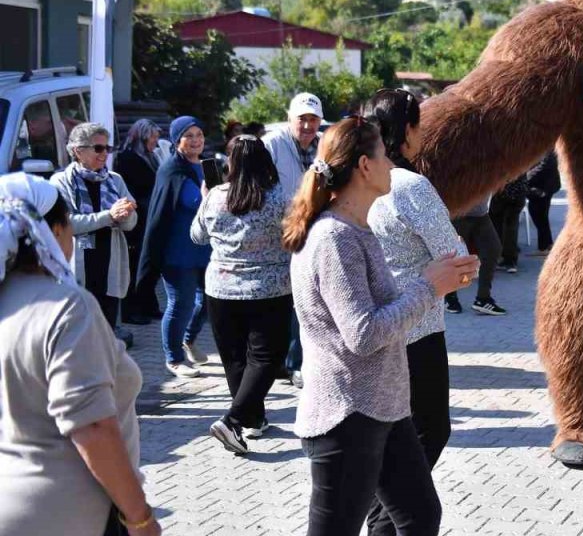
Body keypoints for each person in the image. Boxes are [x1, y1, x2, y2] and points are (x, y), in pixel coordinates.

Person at [282, 117, 476, 536]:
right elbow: (363, 333)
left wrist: (441, 274)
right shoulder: (335, 238)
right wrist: (429, 286)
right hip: (346, 415)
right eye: (385, 156)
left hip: (384, 408)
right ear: (364, 167)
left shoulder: (359, 229)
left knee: (420, 516)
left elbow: (380, 309)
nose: (393, 164)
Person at [0, 173, 156, 536]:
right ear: (52, 232)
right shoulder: (68, 309)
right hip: (69, 512)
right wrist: (140, 518)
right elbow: (93, 426)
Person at [362, 89, 478, 536]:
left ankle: (380, 522)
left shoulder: (353, 183)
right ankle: (385, 525)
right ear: (405, 129)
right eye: (418, 122)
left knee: (390, 438)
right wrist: (463, 270)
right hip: (418, 329)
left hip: (371, 326)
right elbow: (457, 258)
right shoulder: (408, 185)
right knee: (427, 432)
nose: (423, 131)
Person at [190, 135, 292, 454]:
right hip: (269, 288)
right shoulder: (279, 197)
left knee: (234, 358)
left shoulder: (216, 196)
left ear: (229, 163)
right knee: (265, 357)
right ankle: (235, 420)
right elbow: (294, 236)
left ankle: (252, 419)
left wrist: (205, 198)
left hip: (220, 288)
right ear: (266, 162)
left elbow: (197, 236)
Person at [137, 116, 213, 379]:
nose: (195, 140)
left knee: (209, 302)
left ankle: (188, 339)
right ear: (178, 140)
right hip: (177, 252)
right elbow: (195, 201)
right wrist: (213, 196)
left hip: (206, 250)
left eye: (199, 134)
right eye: (188, 135)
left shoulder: (206, 165)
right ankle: (174, 358)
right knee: (180, 303)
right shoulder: (171, 169)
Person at [50, 123, 138, 335]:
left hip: (109, 265)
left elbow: (131, 223)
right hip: (76, 267)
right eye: (98, 148)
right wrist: (109, 216)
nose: (104, 154)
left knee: (106, 331)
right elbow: (66, 224)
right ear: (78, 151)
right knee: (76, 333)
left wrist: (127, 215)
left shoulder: (114, 180)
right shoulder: (61, 181)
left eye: (107, 148)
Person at [263, 92, 324, 389]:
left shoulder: (324, 144)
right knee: (278, 303)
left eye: (313, 119)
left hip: (312, 234)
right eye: (302, 118)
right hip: (278, 234)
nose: (308, 125)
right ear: (290, 119)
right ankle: (277, 362)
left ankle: (296, 363)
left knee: (303, 301)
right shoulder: (272, 143)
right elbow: (259, 187)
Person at [115, 119, 163, 326]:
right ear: (143, 138)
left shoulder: (151, 157)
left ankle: (148, 305)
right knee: (135, 265)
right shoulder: (128, 159)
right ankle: (130, 310)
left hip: (149, 216)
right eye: (153, 137)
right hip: (137, 218)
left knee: (150, 265)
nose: (156, 141)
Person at [443, 199, 506, 316]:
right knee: (455, 254)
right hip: (458, 213)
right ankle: (449, 296)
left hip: (480, 213)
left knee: (493, 249)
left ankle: (483, 298)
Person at [489, 174, 528, 274]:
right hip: (518, 193)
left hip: (502, 192)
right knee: (511, 228)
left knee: (497, 225)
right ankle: (510, 261)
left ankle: (500, 257)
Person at [525, 150, 560, 257]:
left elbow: (545, 165)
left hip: (542, 187)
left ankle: (544, 247)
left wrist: (526, 177)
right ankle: (547, 245)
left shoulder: (547, 148)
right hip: (544, 186)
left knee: (538, 215)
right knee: (542, 216)